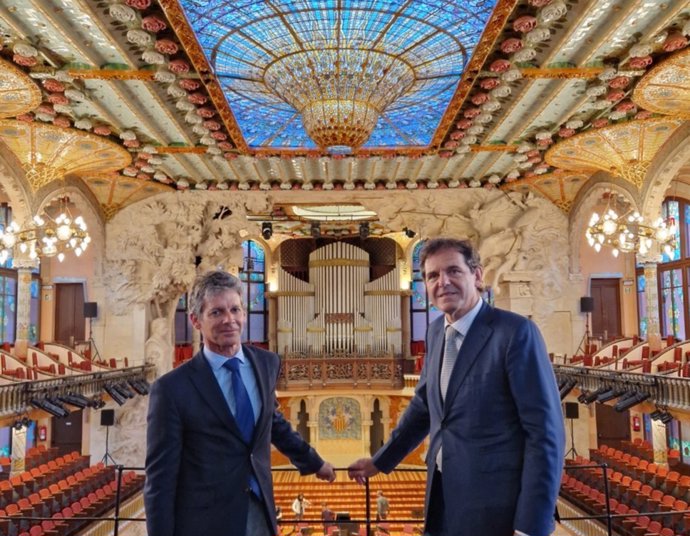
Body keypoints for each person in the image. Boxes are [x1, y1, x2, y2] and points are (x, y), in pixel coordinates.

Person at [348, 238, 565, 536]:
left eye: (453, 271)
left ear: (477, 275)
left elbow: (545, 434)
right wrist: (380, 461)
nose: (443, 282)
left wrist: (531, 527)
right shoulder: (436, 330)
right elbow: (423, 409)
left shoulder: (514, 333)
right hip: (442, 498)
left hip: (498, 508)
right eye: (433, 276)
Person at [144, 270, 336, 536]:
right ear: (195, 320)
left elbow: (273, 422)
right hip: (205, 522)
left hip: (259, 511)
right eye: (216, 312)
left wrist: (313, 462)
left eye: (235, 309)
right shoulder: (171, 389)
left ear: (244, 314)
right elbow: (160, 480)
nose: (229, 320)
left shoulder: (267, 363)